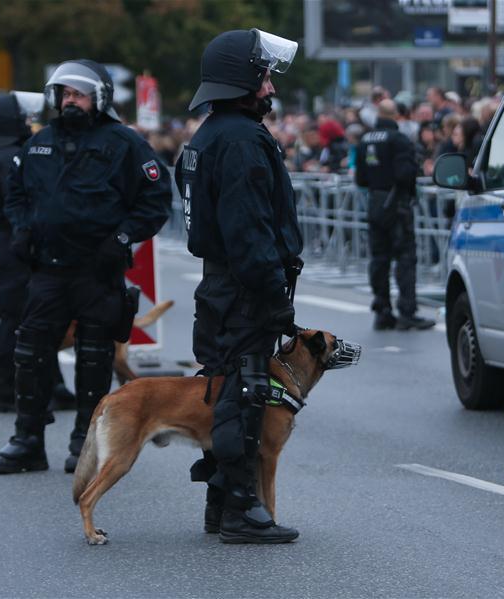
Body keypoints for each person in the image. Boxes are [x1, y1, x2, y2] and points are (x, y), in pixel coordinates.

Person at [0, 59, 172, 474]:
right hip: (47, 270)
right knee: (30, 354)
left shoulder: (124, 142)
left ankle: (84, 443)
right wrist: (20, 229)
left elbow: (156, 197)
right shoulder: (39, 143)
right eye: (64, 94)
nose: (70, 101)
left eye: (78, 94)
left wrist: (122, 238)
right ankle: (27, 440)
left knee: (94, 358)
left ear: (99, 97)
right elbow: (15, 194)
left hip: (97, 271)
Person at [178, 28, 303, 544]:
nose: (271, 86)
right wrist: (275, 298)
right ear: (244, 79)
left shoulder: (210, 135)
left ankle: (221, 505)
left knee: (227, 388)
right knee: (244, 394)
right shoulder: (241, 141)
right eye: (265, 75)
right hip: (242, 289)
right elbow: (250, 232)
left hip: (221, 289)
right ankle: (240, 511)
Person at [0, 92, 73, 414]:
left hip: (0, 241)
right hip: (16, 242)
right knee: (18, 316)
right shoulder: (10, 158)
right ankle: (4, 390)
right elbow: (26, 200)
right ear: (11, 121)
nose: (29, 123)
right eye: (25, 119)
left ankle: (51, 385)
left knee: (34, 314)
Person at [356, 99, 435, 331]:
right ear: (396, 116)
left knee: (379, 259)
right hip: (397, 205)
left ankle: (382, 310)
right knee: (405, 257)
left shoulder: (365, 140)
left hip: (375, 203)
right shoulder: (399, 140)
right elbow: (405, 174)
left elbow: (360, 178)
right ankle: (407, 311)